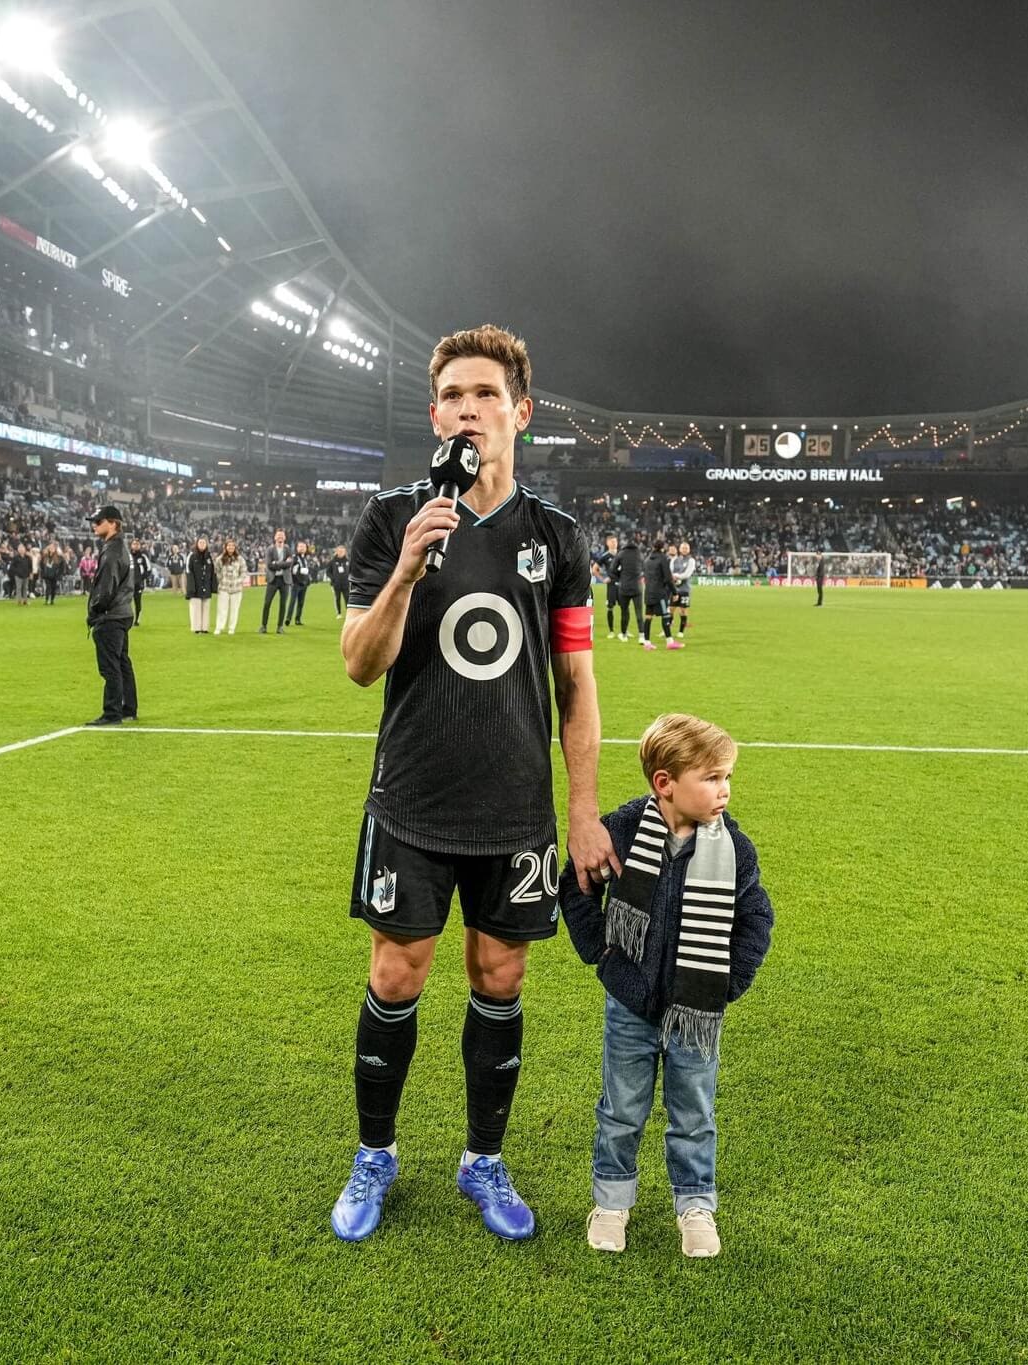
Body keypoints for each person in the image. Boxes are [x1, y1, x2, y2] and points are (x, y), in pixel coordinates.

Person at [330, 324, 615, 1245]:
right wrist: (409, 564)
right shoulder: (389, 519)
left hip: (515, 808)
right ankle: (375, 1152)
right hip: (411, 797)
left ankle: (482, 1158)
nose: (467, 409)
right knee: (394, 971)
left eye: (485, 395)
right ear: (434, 414)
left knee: (499, 974)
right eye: (452, 395)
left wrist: (580, 810)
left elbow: (576, 683)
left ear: (519, 414)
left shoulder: (557, 539)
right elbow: (358, 664)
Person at [558, 713, 774, 1259]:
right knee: (621, 1109)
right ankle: (611, 1203)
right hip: (629, 1003)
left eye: (727, 778)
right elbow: (575, 885)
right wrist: (602, 957)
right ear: (665, 782)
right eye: (712, 778)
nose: (724, 790)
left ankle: (695, 1206)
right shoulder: (623, 831)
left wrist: (727, 984)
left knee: (694, 1113)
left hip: (695, 1011)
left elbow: (756, 918)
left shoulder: (735, 850)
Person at [84, 505, 137, 726]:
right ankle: (128, 707)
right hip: (123, 612)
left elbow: (105, 588)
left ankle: (112, 712)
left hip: (111, 615)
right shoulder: (119, 548)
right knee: (122, 662)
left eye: (99, 521)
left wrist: (95, 612)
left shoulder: (112, 551)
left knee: (110, 666)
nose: (94, 525)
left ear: (113, 523)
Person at [640, 540, 683, 651]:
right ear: (663, 548)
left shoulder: (647, 560)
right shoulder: (663, 559)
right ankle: (670, 642)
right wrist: (675, 592)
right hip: (660, 593)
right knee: (665, 615)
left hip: (648, 592)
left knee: (648, 617)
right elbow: (668, 578)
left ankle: (647, 643)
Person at [259, 528, 293, 635]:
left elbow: (290, 563)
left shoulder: (287, 549)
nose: (280, 537)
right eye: (278, 535)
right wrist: (283, 563)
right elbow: (269, 565)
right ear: (275, 537)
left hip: (285, 580)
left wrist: (277, 563)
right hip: (273, 580)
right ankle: (263, 626)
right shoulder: (270, 549)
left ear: (285, 538)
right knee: (267, 603)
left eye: (282, 536)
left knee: (283, 605)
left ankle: (280, 627)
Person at [214, 537, 248, 635]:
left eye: (233, 546)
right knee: (221, 609)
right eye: (229, 545)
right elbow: (217, 571)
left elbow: (244, 571)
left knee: (234, 609)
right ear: (225, 547)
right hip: (223, 588)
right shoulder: (220, 559)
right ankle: (219, 627)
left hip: (236, 589)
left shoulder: (240, 559)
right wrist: (221, 580)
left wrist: (239, 581)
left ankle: (231, 628)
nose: (231, 547)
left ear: (235, 547)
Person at [614, 535, 644, 641]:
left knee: (624, 612)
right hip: (637, 587)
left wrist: (621, 576)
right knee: (639, 612)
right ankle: (642, 636)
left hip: (624, 587)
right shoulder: (639, 554)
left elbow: (612, 570)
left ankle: (624, 635)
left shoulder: (621, 554)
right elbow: (643, 568)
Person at [186, 536, 218, 634]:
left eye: (204, 543)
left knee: (206, 608)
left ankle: (204, 628)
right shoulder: (191, 556)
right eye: (200, 542)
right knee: (196, 608)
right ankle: (196, 628)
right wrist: (191, 587)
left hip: (206, 586)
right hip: (195, 587)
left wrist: (213, 587)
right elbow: (188, 571)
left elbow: (212, 572)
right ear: (197, 544)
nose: (202, 544)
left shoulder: (209, 557)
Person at [592, 532, 620, 638]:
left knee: (625, 607)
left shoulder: (621, 554)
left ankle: (624, 631)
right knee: (610, 607)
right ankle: (611, 631)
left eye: (615, 541)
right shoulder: (605, 556)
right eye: (612, 542)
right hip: (611, 585)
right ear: (608, 543)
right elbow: (594, 569)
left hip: (622, 585)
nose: (614, 543)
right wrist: (603, 579)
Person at [669, 541, 695, 636]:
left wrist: (676, 576)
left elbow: (687, 574)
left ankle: (681, 631)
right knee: (670, 609)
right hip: (674, 589)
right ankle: (667, 630)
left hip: (685, 589)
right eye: (683, 548)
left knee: (683, 610)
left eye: (686, 548)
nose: (684, 550)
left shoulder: (691, 560)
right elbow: (670, 572)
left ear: (689, 550)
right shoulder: (674, 560)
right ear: (679, 549)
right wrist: (673, 577)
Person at [285, 539, 310, 626]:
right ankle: (288, 618)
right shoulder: (294, 558)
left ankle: (298, 619)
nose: (302, 548)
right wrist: (292, 581)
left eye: (304, 547)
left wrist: (308, 581)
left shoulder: (305, 558)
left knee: (301, 602)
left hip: (304, 584)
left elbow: (306, 570)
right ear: (297, 548)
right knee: (292, 601)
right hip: (296, 583)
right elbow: (291, 570)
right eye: (300, 546)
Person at [130, 537, 152, 626]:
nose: (135, 546)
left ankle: (137, 620)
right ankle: (128, 619)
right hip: (128, 584)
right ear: (131, 545)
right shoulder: (127, 556)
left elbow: (149, 569)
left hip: (138, 584)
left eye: (137, 544)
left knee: (137, 602)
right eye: (134, 544)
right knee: (126, 602)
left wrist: (142, 578)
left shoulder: (143, 557)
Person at [327, 544, 351, 618]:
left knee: (347, 598)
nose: (341, 552)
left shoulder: (348, 561)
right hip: (336, 584)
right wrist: (333, 579)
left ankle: (348, 613)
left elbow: (351, 571)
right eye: (339, 551)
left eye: (342, 551)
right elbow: (328, 572)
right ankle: (339, 613)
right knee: (337, 598)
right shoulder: (332, 561)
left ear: (345, 552)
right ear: (336, 552)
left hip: (346, 584)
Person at [10, 543, 32, 607]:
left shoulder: (27, 557)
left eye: (23, 548)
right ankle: (19, 601)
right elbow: (12, 567)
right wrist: (17, 572)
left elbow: (30, 566)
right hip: (18, 576)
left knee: (25, 588)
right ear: (18, 550)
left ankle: (25, 600)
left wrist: (30, 573)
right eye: (20, 548)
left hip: (26, 575)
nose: (22, 550)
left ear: (25, 549)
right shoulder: (16, 558)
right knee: (18, 588)